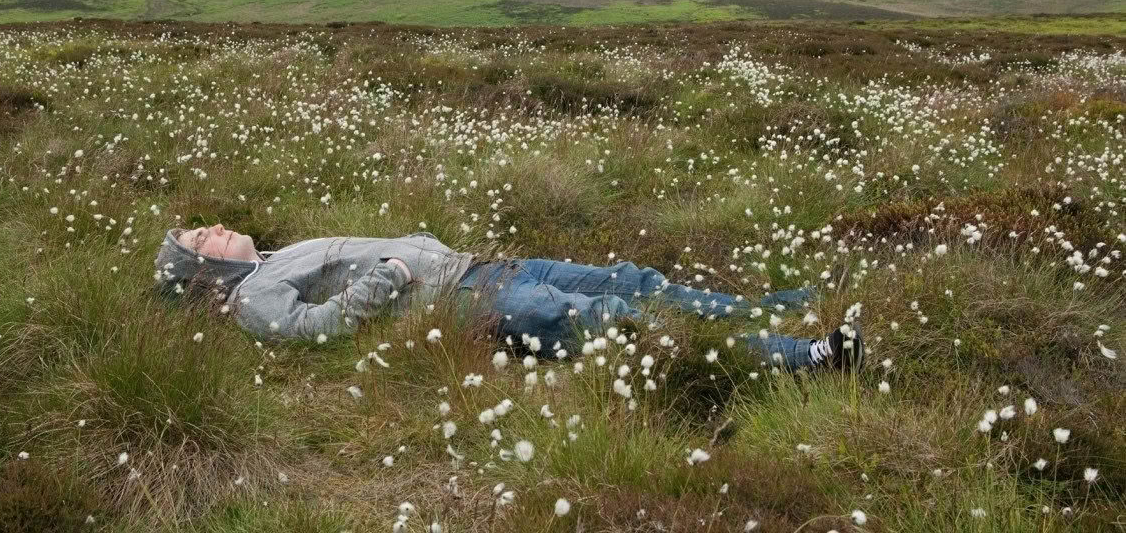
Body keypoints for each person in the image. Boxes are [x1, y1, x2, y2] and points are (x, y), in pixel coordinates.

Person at [154, 223, 863, 371]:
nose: (214, 229)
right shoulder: (253, 300)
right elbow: (318, 329)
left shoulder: (276, 257)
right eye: (200, 240)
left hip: (479, 267)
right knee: (623, 325)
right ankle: (806, 354)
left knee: (632, 282)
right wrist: (396, 276)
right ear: (203, 275)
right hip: (464, 305)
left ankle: (770, 307)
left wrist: (416, 244)